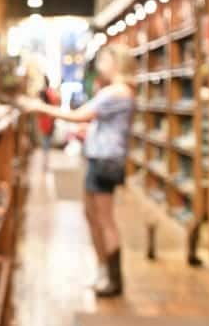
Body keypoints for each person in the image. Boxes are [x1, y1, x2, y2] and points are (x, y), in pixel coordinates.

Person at [19, 45, 135, 297]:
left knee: (104, 219)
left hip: (106, 159)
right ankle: (104, 271)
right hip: (101, 157)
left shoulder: (116, 92)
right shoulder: (114, 92)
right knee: (92, 214)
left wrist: (39, 108)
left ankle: (113, 279)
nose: (100, 63)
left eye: (104, 58)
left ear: (117, 62)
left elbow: (80, 115)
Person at [37, 76, 59, 169]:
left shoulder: (45, 93)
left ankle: (45, 162)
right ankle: (45, 161)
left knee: (46, 142)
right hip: (49, 120)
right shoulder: (51, 92)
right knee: (46, 141)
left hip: (47, 121)